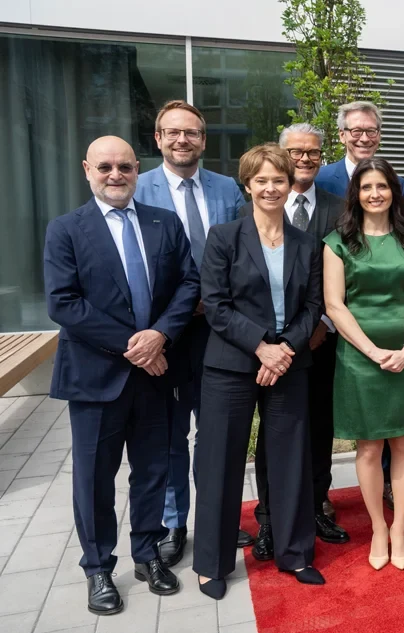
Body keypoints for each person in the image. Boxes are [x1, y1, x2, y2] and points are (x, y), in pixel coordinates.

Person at [45, 136, 199, 615]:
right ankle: (98, 568)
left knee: (154, 471)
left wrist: (161, 335)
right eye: (106, 167)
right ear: (87, 169)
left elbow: (189, 284)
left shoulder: (164, 222)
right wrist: (137, 345)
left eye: (126, 167)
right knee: (94, 478)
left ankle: (148, 553)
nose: (116, 175)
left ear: (138, 170)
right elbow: (64, 303)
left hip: (156, 375)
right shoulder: (66, 229)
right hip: (97, 378)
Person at [192, 144, 325, 599]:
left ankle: (295, 553)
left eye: (279, 180)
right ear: (247, 184)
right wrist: (261, 347)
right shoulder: (224, 237)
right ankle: (211, 563)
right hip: (230, 365)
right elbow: (216, 304)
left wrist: (284, 348)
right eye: (262, 180)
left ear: (291, 185)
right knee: (220, 463)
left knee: (291, 461)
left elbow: (314, 306)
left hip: (290, 363)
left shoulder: (307, 244)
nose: (271, 188)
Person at [133, 100, 246, 564]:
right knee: (168, 435)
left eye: (192, 133)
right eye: (173, 132)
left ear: (203, 139)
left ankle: (218, 519)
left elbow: (244, 250)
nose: (183, 140)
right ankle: (173, 523)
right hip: (164, 335)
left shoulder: (227, 189)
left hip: (218, 333)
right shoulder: (136, 188)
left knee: (216, 434)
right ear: (158, 138)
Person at [244, 124, 350, 560]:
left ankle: (318, 503)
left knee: (320, 426)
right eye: (296, 152)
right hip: (268, 348)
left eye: (312, 153)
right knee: (275, 432)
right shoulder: (260, 201)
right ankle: (270, 516)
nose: (305, 159)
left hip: (322, 339)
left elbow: (347, 268)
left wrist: (321, 321)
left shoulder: (339, 207)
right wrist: (273, 342)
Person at [324, 157, 404, 570]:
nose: (375, 194)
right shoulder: (337, 242)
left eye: (382, 186)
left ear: (394, 192)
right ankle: (378, 528)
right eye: (366, 187)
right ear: (356, 194)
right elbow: (335, 305)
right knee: (369, 447)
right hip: (359, 356)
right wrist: (372, 352)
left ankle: (400, 526)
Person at [315, 100, 404, 204]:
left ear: (379, 135)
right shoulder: (319, 179)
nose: (364, 139)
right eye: (356, 131)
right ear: (342, 135)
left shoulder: (397, 184)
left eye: (371, 131)